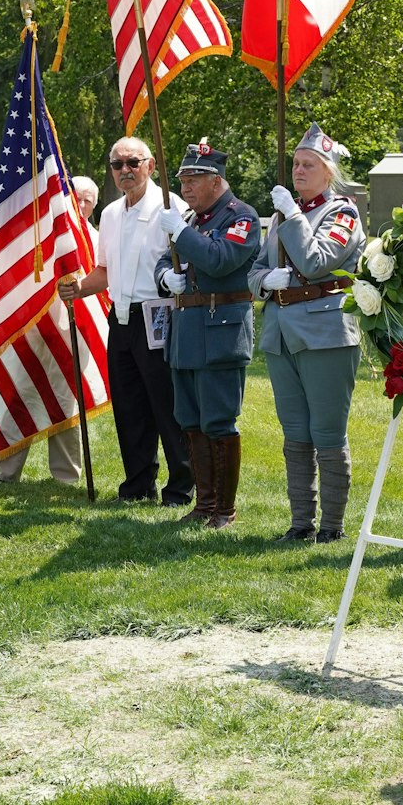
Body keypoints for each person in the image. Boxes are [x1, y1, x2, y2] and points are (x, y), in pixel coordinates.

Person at [248, 125, 365, 543]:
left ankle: (331, 528)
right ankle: (301, 524)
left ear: (328, 172)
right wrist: (266, 282)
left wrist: (294, 217)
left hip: (325, 332)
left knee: (328, 433)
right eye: (296, 163)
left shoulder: (341, 213)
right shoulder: (283, 214)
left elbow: (316, 262)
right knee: (295, 433)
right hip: (281, 332)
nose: (298, 170)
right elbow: (254, 270)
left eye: (308, 165)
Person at [60, 140, 193, 506]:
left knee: (168, 405)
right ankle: (137, 485)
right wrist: (78, 289)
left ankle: (181, 488)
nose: (125, 170)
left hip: (160, 315)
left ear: (150, 165)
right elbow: (105, 270)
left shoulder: (171, 207)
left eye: (132, 162)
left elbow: (190, 260)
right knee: (130, 405)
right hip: (120, 318)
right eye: (117, 164)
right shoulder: (112, 213)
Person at [154, 140, 261, 528]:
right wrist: (165, 276)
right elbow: (167, 259)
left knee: (218, 421)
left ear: (216, 181)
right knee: (191, 420)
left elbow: (219, 260)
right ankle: (204, 504)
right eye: (182, 178)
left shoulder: (241, 217)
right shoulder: (193, 220)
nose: (185, 187)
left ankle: (224, 510)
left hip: (220, 335)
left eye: (194, 178)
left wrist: (181, 233)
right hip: (186, 333)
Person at [0, 175, 101, 486]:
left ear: (93, 206)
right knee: (20, 396)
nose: (78, 204)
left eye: (85, 200)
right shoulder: (40, 234)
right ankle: (6, 471)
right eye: (73, 197)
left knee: (65, 401)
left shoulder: (94, 239)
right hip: (35, 329)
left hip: (71, 332)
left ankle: (65, 476)